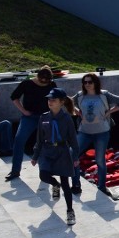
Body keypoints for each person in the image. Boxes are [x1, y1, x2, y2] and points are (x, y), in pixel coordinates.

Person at [71, 72, 119, 195]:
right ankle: (75, 184)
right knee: (72, 154)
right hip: (84, 131)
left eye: (90, 82)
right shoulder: (80, 95)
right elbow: (67, 102)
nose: (87, 84)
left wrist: (109, 112)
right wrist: (77, 111)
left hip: (101, 132)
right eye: (85, 82)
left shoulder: (104, 94)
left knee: (100, 160)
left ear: (95, 82)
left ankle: (101, 186)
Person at [31, 88, 80, 225]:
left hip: (62, 151)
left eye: (53, 100)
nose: (50, 102)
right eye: (49, 99)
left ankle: (70, 211)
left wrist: (75, 157)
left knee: (66, 183)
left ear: (62, 102)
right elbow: (39, 138)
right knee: (43, 175)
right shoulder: (44, 117)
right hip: (46, 151)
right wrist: (35, 155)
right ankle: (54, 184)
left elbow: (73, 140)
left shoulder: (67, 119)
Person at [6, 65, 56, 181]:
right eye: (41, 80)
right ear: (37, 77)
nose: (43, 82)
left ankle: (45, 171)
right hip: (29, 116)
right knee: (19, 140)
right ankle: (15, 171)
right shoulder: (27, 83)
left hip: (46, 117)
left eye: (46, 82)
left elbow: (56, 99)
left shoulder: (51, 84)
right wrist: (23, 111)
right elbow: (14, 97)